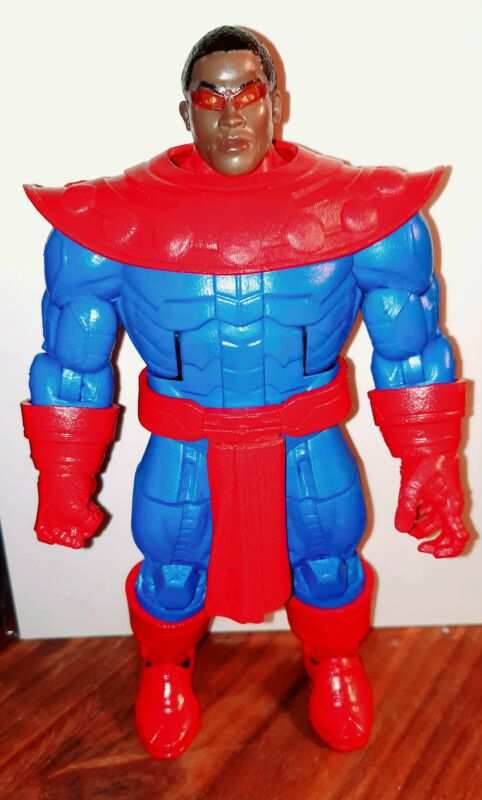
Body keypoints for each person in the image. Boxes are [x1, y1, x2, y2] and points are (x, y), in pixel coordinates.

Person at [22, 26, 469, 760]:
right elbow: (74, 363)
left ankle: (333, 660)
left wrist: (431, 461)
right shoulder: (107, 224)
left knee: (328, 558)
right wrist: (63, 476)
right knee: (171, 565)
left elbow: (412, 349)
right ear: (185, 112)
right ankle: (166, 668)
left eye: (248, 93)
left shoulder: (364, 213)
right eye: (210, 97)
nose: (231, 114)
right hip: (185, 446)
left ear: (276, 104)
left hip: (308, 439)